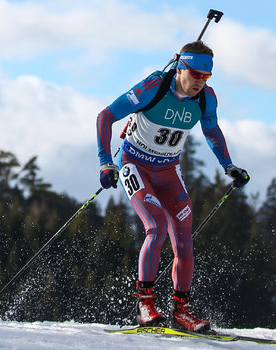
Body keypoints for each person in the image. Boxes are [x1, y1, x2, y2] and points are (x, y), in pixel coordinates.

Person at [95, 41, 249, 332]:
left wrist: (229, 165)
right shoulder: (153, 87)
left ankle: (182, 312)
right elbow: (106, 116)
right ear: (181, 68)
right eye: (195, 75)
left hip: (168, 171)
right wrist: (106, 163)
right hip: (135, 166)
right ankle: (145, 304)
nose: (200, 83)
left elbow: (212, 130)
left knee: (184, 237)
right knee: (156, 227)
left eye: (207, 77)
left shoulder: (206, 99)